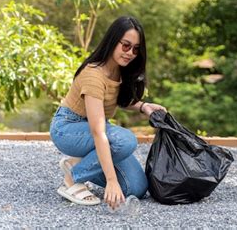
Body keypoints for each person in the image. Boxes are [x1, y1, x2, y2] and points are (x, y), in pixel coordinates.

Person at [49, 16, 167, 209]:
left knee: (136, 187)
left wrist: (143, 106)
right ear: (113, 41)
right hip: (68, 129)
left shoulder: (120, 70)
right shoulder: (94, 75)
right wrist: (111, 181)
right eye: (126, 45)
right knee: (125, 140)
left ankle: (76, 165)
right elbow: (98, 132)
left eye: (136, 49)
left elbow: (117, 99)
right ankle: (72, 179)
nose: (130, 53)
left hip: (93, 128)